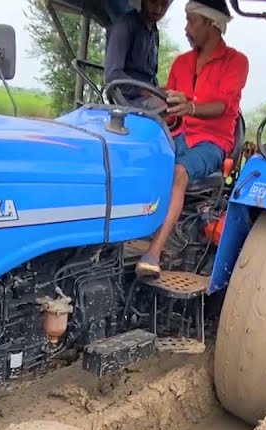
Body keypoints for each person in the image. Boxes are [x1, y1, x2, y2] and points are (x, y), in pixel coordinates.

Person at [136, 0, 249, 278]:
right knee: (137, 160)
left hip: (212, 141)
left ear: (212, 24)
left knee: (178, 173)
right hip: (178, 134)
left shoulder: (236, 62)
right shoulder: (182, 63)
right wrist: (158, 101)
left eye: (191, 21)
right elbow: (173, 109)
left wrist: (192, 106)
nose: (186, 28)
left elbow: (224, 105)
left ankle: (153, 253)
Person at [104, 0, 171, 106]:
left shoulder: (154, 33)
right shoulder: (124, 26)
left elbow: (150, 75)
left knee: (181, 97)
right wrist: (143, 90)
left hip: (148, 95)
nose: (158, 9)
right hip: (127, 100)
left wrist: (158, 90)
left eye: (164, 4)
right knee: (176, 108)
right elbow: (113, 75)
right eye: (153, 2)